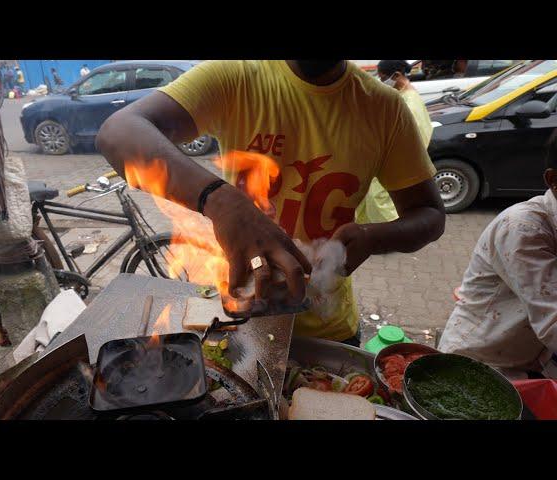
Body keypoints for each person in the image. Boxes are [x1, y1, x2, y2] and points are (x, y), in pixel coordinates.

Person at [96, 60, 445, 345]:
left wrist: (372, 236)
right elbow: (119, 132)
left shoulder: (384, 108)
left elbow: (429, 214)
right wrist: (220, 201)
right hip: (245, 318)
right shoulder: (236, 75)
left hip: (328, 326)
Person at [439, 131, 557, 380]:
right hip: (477, 363)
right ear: (553, 180)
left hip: (529, 361)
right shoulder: (523, 228)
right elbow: (553, 321)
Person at [356, 60, 433, 224]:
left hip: (395, 163)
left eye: (384, 78)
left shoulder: (408, 103)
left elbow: (411, 140)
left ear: (397, 75)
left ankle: (388, 236)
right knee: (373, 200)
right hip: (390, 161)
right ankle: (370, 232)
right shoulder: (404, 96)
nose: (382, 82)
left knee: (380, 201)